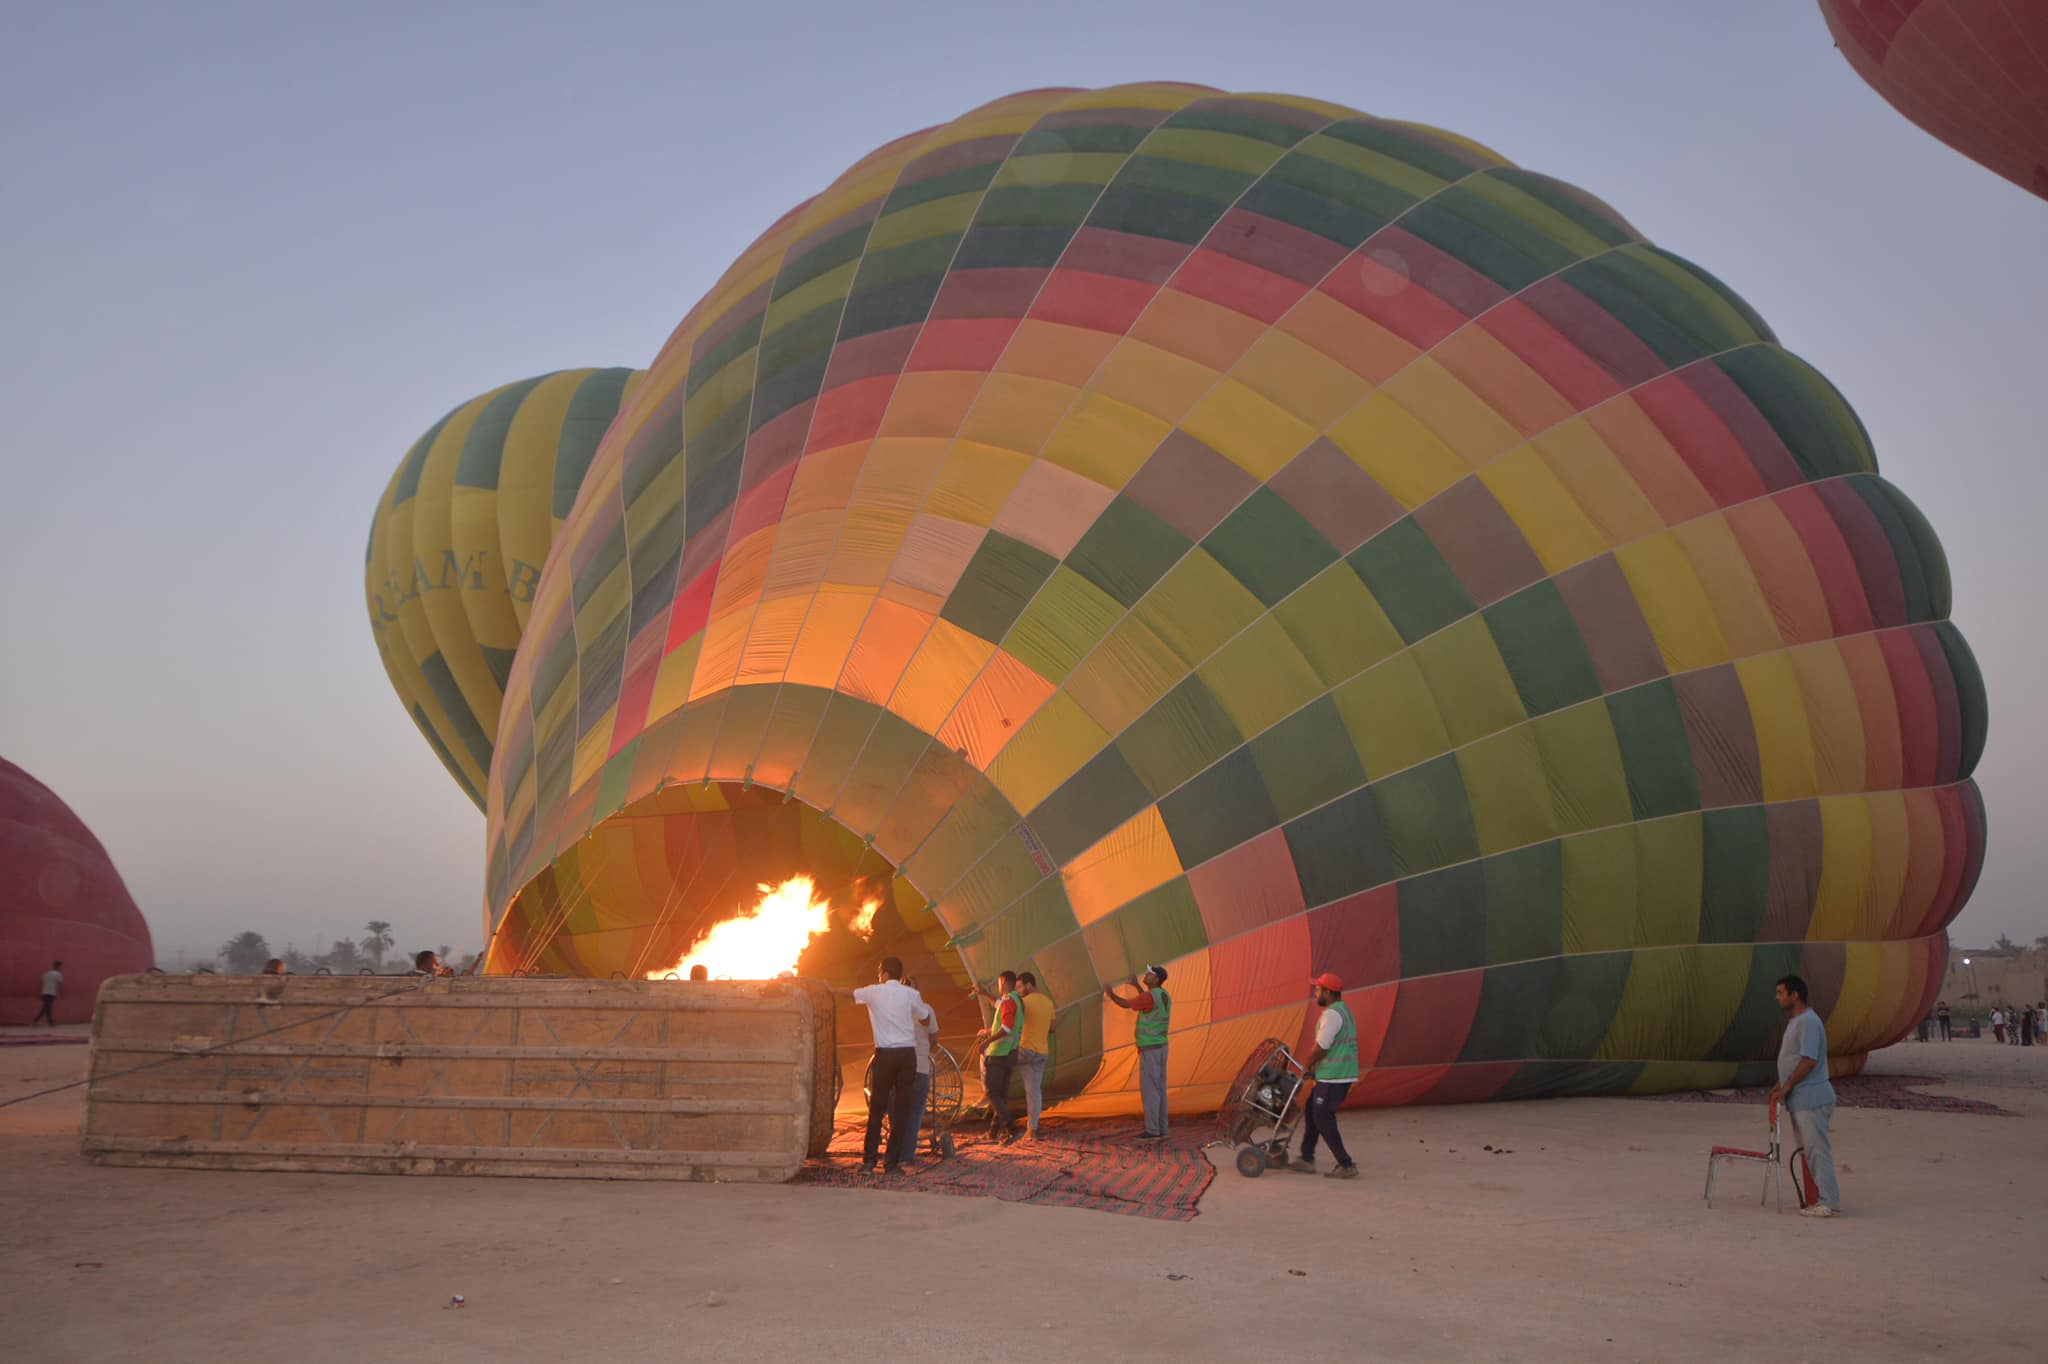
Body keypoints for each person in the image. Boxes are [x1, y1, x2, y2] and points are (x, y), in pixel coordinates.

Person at [1770, 975, 1840, 1219]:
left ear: (1794, 994)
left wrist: (1787, 1084)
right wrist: (1780, 1083)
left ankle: (1829, 1202)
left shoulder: (1809, 1022)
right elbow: (1793, 1058)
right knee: (1808, 1151)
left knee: (1817, 1150)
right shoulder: (1796, 1021)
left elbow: (1809, 1060)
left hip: (1812, 1098)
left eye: (1781, 992)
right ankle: (1817, 1198)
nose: (1777, 997)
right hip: (1800, 1099)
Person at [850, 956, 924, 1175]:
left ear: (883, 972)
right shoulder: (912, 994)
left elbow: (850, 993)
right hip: (906, 1056)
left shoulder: (873, 991)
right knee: (901, 1111)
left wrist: (828, 988)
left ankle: (869, 1162)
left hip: (884, 1056)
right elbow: (925, 1017)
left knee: (876, 1110)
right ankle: (891, 1164)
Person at [1286, 972, 1360, 1179]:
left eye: (1318, 989)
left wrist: (1307, 1065)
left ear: (1328, 992)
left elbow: (1322, 1047)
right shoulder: (1344, 1011)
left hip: (1334, 1077)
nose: (1315, 992)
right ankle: (1306, 1158)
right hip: (1335, 1075)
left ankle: (1345, 1164)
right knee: (1311, 1111)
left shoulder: (1331, 1015)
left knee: (1323, 1117)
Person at [1104, 965, 1171, 1140]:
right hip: (1162, 1047)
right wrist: (1136, 985)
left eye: (1149, 974)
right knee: (1160, 1090)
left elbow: (1126, 1004)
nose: (1146, 975)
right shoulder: (1163, 995)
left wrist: (1110, 993)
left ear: (1156, 979)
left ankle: (1152, 1131)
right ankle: (1162, 1129)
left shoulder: (1149, 997)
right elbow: (1146, 1001)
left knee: (1150, 1091)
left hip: (1150, 1049)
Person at [977, 970, 1024, 1142]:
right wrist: (984, 994)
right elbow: (999, 1006)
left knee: (991, 1093)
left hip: (999, 1053)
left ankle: (1013, 1129)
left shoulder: (1009, 1001)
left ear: (1003, 982)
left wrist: (987, 1041)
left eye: (998, 982)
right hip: (1011, 1052)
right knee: (1001, 1095)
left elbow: (1006, 1028)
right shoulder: (1016, 1000)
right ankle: (993, 1132)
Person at [899, 975, 941, 1159]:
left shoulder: (896, 1011)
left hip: (898, 1068)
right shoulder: (926, 1009)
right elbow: (934, 1038)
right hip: (920, 1066)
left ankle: (896, 1152)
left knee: (899, 1110)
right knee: (915, 1112)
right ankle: (906, 1155)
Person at [1013, 972, 1054, 1140]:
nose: (1019, 991)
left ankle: (997, 1115)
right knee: (1034, 1092)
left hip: (1025, 1050)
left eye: (1020, 987)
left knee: (995, 1064)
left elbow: (1009, 1022)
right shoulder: (1049, 1002)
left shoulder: (1023, 1002)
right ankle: (1032, 1130)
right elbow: (1053, 1028)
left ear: (1029, 984)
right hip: (1042, 1053)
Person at [33, 960, 62, 1026]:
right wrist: (61, 994)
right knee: (46, 1008)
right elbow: (60, 985)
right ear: (58, 966)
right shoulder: (58, 974)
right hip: (51, 993)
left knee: (47, 1008)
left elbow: (41, 983)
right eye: (60, 966)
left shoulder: (47, 973)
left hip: (44, 993)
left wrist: (40, 993)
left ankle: (50, 1022)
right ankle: (35, 1020)